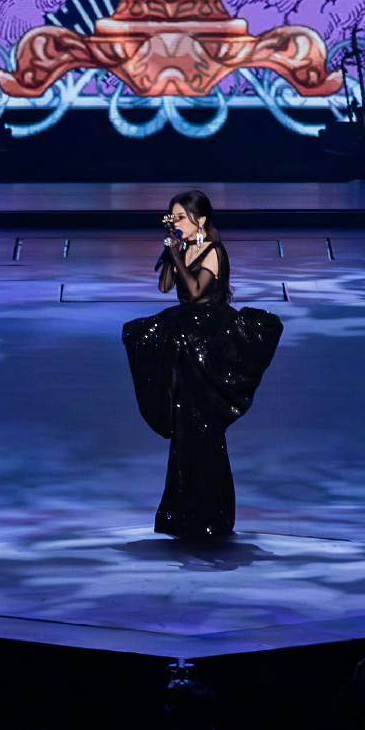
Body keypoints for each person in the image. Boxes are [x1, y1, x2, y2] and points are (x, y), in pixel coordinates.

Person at [123, 192, 284, 542]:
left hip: (210, 342)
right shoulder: (183, 249)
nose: (176, 222)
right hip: (185, 339)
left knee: (204, 425)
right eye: (172, 217)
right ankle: (182, 514)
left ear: (202, 220)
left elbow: (196, 292)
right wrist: (172, 254)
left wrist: (178, 256)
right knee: (185, 422)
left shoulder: (214, 251)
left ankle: (212, 515)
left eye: (181, 217)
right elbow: (166, 286)